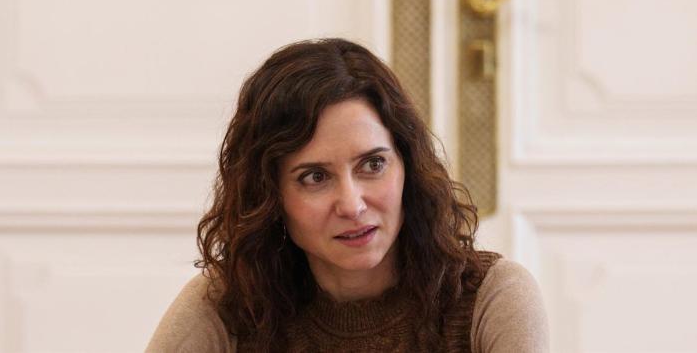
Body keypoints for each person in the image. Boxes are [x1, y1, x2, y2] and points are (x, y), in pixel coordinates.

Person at [146, 38, 548, 352]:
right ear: (269, 196)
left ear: (408, 166)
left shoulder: (491, 298)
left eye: (373, 164)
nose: (353, 205)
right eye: (315, 177)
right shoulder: (228, 306)